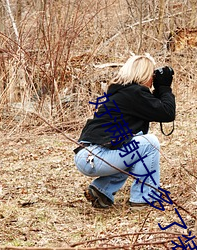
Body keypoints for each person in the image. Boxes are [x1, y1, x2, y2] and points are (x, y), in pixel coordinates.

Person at [74, 54, 176, 209]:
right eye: (151, 74)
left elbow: (156, 107)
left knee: (135, 148)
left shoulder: (125, 93)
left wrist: (160, 88)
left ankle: (101, 191)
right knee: (149, 143)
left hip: (89, 155)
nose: (152, 78)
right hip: (95, 156)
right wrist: (164, 87)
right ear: (143, 74)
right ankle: (143, 199)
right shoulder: (134, 93)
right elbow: (167, 112)